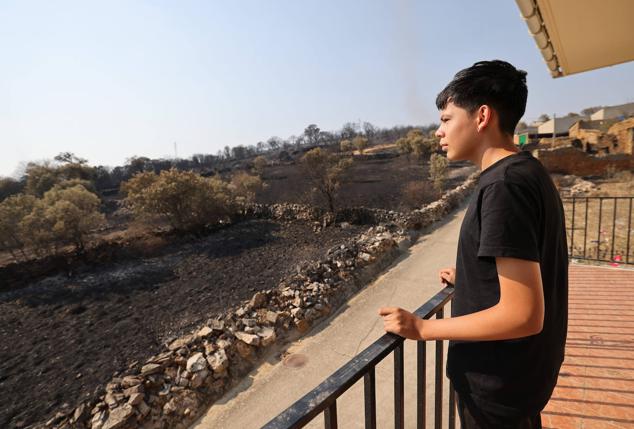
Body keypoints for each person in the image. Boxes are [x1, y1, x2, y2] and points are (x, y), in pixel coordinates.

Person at [378, 60, 568, 428]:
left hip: (498, 391)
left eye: (446, 119)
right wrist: (471, 279)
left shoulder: (504, 187)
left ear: (482, 116)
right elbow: (528, 268)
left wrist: (423, 329)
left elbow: (524, 314)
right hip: (521, 381)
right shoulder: (527, 171)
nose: (438, 131)